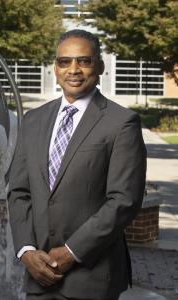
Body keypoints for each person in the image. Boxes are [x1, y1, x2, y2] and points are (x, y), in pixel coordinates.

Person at [8, 29, 147, 300]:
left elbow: (123, 201)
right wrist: (25, 251)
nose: (74, 70)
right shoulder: (33, 120)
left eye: (84, 61)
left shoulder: (122, 123)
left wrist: (72, 251)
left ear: (100, 66)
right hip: (39, 273)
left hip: (92, 277)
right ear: (55, 67)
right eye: (65, 61)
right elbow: (19, 192)